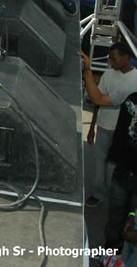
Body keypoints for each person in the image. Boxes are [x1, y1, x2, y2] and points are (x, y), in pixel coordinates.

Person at [81, 52, 137, 258]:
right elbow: (97, 98)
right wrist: (87, 71)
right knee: (116, 220)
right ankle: (109, 254)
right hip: (123, 173)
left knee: (132, 224)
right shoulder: (129, 94)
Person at [83, 42, 137, 207]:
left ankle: (113, 194)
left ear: (126, 57)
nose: (111, 63)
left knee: (113, 165)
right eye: (110, 60)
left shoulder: (134, 80)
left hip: (122, 133)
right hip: (104, 126)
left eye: (114, 59)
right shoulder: (108, 76)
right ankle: (99, 193)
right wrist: (92, 127)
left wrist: (87, 71)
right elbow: (98, 100)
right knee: (100, 160)